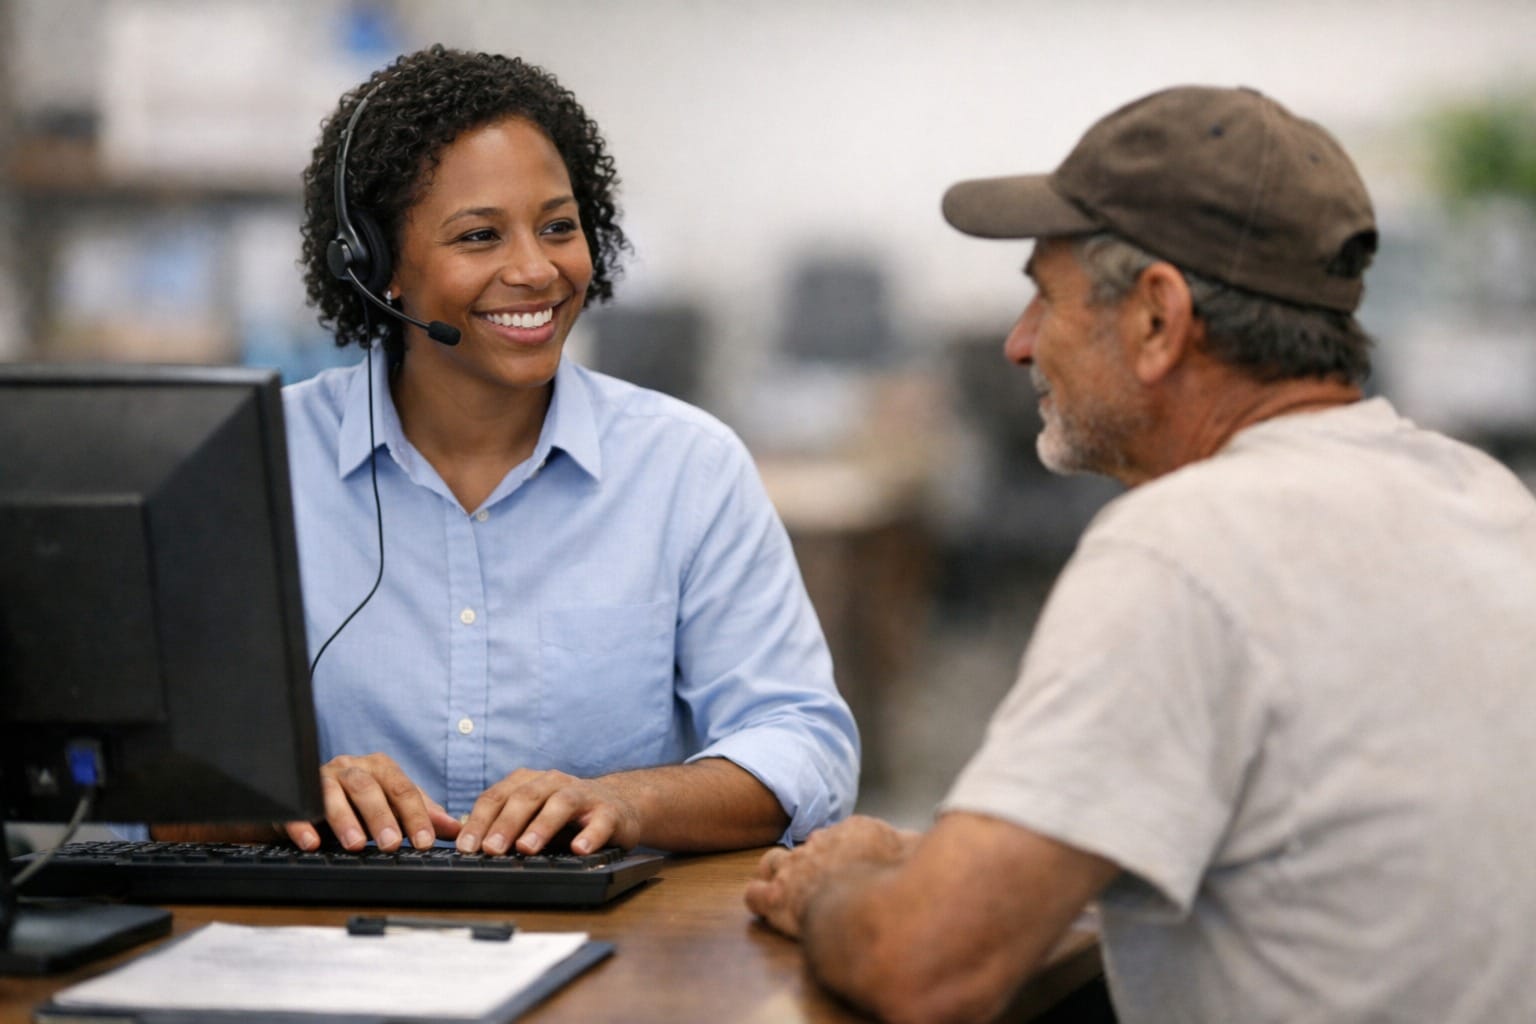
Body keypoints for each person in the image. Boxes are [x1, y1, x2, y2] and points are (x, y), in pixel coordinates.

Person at [744, 85, 1536, 1023]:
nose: (1017, 343)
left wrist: (826, 891)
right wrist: (929, 865)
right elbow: (1314, 861)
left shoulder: (1186, 548)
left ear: (1158, 319)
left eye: (1045, 295)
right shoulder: (1485, 497)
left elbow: (928, 967)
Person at [166, 45, 858, 859]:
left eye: (558, 227)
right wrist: (275, 794)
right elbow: (150, 785)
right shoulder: (256, 463)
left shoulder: (687, 469)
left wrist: (626, 803)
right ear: (377, 267)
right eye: (479, 235)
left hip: (614, 952)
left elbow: (804, 744)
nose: (536, 269)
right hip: (324, 944)